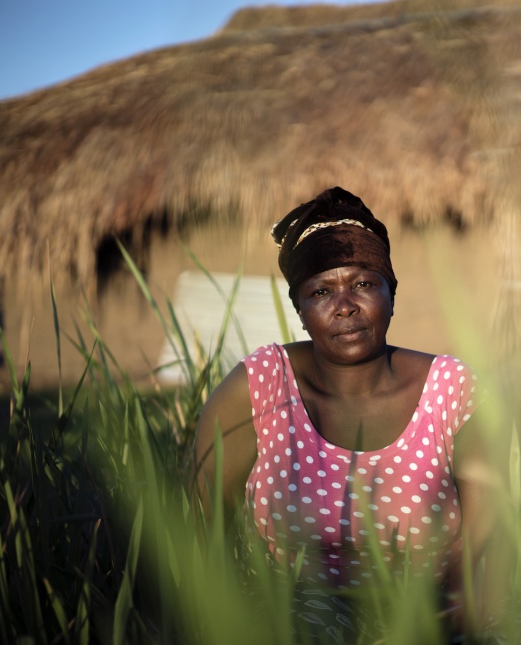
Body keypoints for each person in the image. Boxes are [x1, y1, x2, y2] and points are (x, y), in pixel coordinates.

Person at [194, 187, 494, 639]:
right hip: (298, 608)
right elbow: (202, 529)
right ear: (300, 309)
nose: (345, 305)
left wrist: (457, 605)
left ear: (392, 293)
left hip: (433, 607)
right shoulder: (259, 388)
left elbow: (490, 525)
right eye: (321, 291)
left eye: (363, 284)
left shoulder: (452, 390)